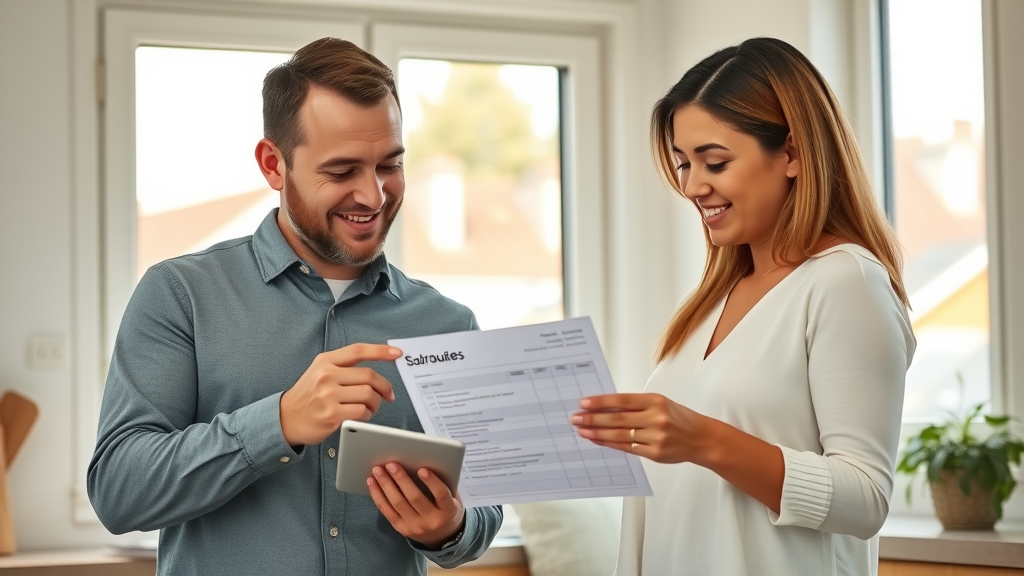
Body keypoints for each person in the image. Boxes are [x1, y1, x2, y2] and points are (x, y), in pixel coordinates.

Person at [87, 37, 502, 576]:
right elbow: (118, 492)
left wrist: (450, 527)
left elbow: (484, 508)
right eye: (342, 171)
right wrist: (279, 422)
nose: (374, 196)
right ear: (273, 165)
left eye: (389, 164)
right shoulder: (180, 294)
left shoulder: (449, 324)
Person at [571, 37, 916, 576]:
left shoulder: (845, 281)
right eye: (683, 163)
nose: (692, 186)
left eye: (715, 162)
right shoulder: (712, 301)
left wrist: (703, 439)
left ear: (793, 154)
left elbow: (865, 499)